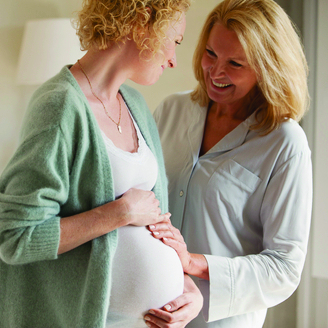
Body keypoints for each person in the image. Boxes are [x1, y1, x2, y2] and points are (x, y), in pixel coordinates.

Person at [0, 0, 203, 327]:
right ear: (141, 23)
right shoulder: (60, 108)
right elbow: (16, 237)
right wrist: (119, 213)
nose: (173, 60)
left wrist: (187, 288)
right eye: (174, 41)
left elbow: (157, 221)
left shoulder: (134, 103)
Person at [149, 0, 313, 327]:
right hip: (151, 310)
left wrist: (194, 264)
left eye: (235, 63)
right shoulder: (172, 111)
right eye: (211, 54)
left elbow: (284, 267)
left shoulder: (284, 143)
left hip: (221, 320)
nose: (216, 72)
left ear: (269, 68)